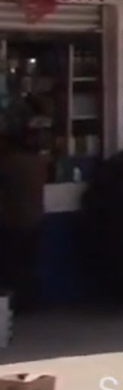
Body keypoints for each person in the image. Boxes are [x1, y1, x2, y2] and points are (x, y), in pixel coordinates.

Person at [0, 131, 47, 313]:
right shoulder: (39, 162)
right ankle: (28, 304)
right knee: (28, 264)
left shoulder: (9, 163)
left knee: (12, 266)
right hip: (35, 220)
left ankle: (13, 305)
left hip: (14, 221)